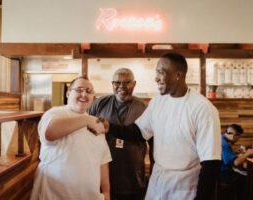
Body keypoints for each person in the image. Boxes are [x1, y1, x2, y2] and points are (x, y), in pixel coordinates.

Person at [95, 53, 222, 200]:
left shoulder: (202, 108)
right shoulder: (158, 102)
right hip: (158, 182)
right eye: (156, 72)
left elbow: (211, 163)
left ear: (178, 75)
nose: (156, 78)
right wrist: (109, 127)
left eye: (161, 72)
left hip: (185, 187)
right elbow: (138, 131)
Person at [30, 76, 111, 200]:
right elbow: (49, 132)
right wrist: (86, 120)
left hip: (89, 196)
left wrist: (106, 193)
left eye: (89, 92)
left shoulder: (95, 123)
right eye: (79, 90)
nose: (84, 94)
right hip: (53, 195)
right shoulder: (55, 113)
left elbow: (103, 161)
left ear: (93, 98)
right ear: (68, 93)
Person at [88, 68, 154, 200]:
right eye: (117, 83)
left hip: (133, 175)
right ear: (112, 84)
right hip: (103, 174)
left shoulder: (144, 108)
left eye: (127, 82)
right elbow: (86, 131)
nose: (121, 87)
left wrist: (153, 173)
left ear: (134, 84)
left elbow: (153, 143)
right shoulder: (99, 104)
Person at [220, 124, 253, 200]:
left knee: (243, 173)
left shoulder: (221, 139)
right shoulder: (225, 144)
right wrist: (247, 153)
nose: (237, 140)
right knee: (247, 178)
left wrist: (235, 153)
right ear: (234, 135)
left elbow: (226, 157)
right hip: (222, 173)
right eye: (238, 138)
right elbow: (235, 163)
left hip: (218, 171)